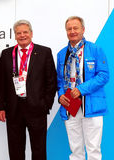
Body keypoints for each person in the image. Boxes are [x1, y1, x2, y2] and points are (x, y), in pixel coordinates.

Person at [0, 19, 57, 160]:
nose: (22, 35)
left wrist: (45, 104)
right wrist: (0, 107)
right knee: (15, 149)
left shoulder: (44, 52)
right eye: (19, 33)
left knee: (39, 149)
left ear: (31, 33)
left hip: (37, 109)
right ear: (15, 35)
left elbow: (51, 81)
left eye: (25, 32)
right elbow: (1, 83)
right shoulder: (6, 54)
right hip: (13, 109)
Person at [57, 16, 109, 160]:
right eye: (69, 29)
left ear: (83, 30)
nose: (72, 31)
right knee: (75, 149)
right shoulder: (62, 54)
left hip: (91, 105)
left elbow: (104, 75)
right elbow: (60, 81)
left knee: (93, 149)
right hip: (70, 106)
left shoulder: (95, 49)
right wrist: (61, 95)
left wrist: (81, 89)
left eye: (75, 28)